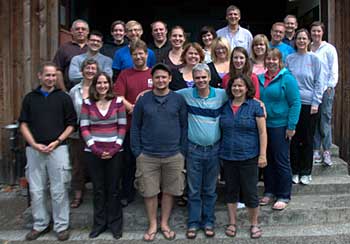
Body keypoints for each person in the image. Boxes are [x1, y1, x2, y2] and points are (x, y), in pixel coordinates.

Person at [19, 62, 77, 241]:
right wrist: (34, 144)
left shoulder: (64, 98)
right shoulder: (30, 98)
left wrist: (58, 141)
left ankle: (61, 226)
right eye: (47, 75)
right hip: (34, 150)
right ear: (40, 76)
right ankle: (40, 224)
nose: (51, 78)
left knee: (59, 190)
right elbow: (23, 124)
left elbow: (71, 124)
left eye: (53, 75)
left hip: (58, 149)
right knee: (37, 190)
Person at [131, 63, 187, 241]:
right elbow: (135, 127)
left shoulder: (178, 100)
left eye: (164, 77)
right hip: (147, 155)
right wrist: (137, 152)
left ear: (170, 79)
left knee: (170, 191)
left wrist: (182, 151)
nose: (161, 80)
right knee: (149, 191)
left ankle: (164, 223)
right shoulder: (143, 100)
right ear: (152, 80)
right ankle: (152, 224)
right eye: (157, 77)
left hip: (173, 154)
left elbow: (184, 126)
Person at [176, 63, 227, 239]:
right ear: (193, 79)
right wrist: (145, 93)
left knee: (210, 189)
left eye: (204, 77)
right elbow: (165, 94)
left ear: (209, 77)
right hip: (194, 150)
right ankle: (193, 222)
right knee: (194, 189)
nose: (201, 80)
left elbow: (240, 98)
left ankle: (208, 222)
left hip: (214, 149)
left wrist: (258, 102)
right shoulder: (185, 94)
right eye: (197, 78)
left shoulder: (221, 95)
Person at [80, 72, 127, 239]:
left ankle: (115, 225)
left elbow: (122, 127)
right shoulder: (87, 103)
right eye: (99, 83)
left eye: (105, 83)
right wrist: (95, 149)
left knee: (114, 189)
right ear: (94, 85)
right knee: (98, 190)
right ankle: (99, 224)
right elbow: (84, 127)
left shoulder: (118, 102)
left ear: (110, 84)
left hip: (115, 152)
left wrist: (115, 148)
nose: (102, 86)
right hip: (93, 153)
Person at [220, 74, 267, 239]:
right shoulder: (224, 106)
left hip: (249, 156)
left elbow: (262, 132)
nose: (237, 89)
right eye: (234, 86)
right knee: (231, 191)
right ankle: (232, 223)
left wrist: (262, 155)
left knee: (250, 192)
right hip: (228, 156)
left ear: (247, 88)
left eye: (240, 86)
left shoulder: (255, 106)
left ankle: (254, 224)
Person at [258, 48, 301, 210]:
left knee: (281, 160)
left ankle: (283, 194)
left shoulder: (287, 78)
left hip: (281, 126)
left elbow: (295, 102)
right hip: (264, 126)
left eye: (274, 59)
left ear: (280, 61)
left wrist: (291, 126)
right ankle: (269, 191)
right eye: (268, 59)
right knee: (266, 159)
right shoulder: (261, 78)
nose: (271, 62)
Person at [114, 39, 153, 207]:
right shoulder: (124, 75)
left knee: (151, 163)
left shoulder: (153, 73)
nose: (138, 56)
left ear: (146, 55)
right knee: (128, 162)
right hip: (130, 126)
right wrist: (133, 108)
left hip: (151, 127)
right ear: (131, 56)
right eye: (135, 54)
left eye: (141, 53)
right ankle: (127, 193)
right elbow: (118, 96)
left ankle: (151, 193)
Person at [286, 29, 323, 185]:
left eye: (304, 38)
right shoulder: (289, 59)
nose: (301, 41)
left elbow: (319, 82)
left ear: (309, 41)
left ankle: (306, 172)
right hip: (293, 104)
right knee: (293, 138)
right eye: (299, 38)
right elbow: (286, 80)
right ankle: (295, 171)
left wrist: (316, 102)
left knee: (307, 139)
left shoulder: (315, 59)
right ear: (295, 41)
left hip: (310, 105)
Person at [68, 59, 99, 208]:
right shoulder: (75, 91)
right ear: (82, 71)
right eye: (88, 68)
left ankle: (99, 193)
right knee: (78, 164)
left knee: (97, 163)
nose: (90, 71)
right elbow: (69, 111)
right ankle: (78, 194)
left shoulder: (101, 88)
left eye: (93, 68)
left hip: (98, 130)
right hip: (78, 131)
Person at [310, 21, 339, 166]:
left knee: (324, 121)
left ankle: (326, 151)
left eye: (318, 31)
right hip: (311, 90)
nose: (316, 33)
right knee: (314, 121)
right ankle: (315, 150)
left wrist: (330, 86)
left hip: (325, 90)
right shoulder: (308, 48)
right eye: (313, 31)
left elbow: (334, 68)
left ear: (322, 33)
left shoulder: (329, 49)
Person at [53, 19, 89, 91]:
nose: (80, 31)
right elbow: (58, 71)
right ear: (71, 31)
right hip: (69, 90)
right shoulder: (64, 48)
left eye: (83, 29)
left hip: (91, 92)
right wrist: (63, 91)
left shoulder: (93, 48)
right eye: (77, 29)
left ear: (88, 32)